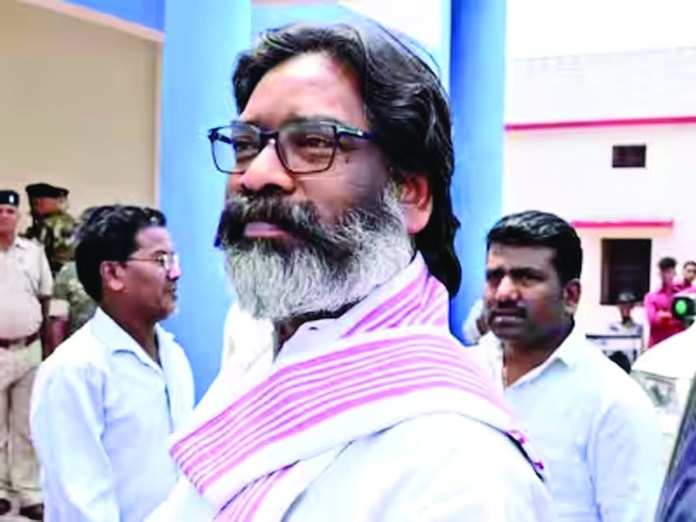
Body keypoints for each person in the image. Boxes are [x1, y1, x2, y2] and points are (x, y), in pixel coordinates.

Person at [149, 23, 554, 521]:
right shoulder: (262, 368)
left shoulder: (460, 469)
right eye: (246, 144)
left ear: (410, 194)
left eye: (314, 141)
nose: (255, 175)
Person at [477, 210, 664, 521]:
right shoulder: (461, 375)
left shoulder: (612, 402)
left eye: (526, 277)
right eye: (495, 276)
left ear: (571, 295)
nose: (504, 292)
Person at [30, 205, 195, 522]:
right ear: (113, 274)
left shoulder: (174, 356)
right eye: (160, 260)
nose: (175, 273)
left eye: (174, 259)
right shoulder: (75, 371)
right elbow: (82, 505)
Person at [0, 190, 51, 521]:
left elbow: (47, 297)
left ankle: (29, 493)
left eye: (9, 211)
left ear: (18, 216)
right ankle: (1, 491)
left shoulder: (33, 252)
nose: (4, 216)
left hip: (29, 347)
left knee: (26, 425)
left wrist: (49, 345)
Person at [24, 182, 77, 276]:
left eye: (37, 203)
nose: (34, 206)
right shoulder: (68, 221)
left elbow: (36, 255)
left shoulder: (53, 225)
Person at [645, 256, 684, 348]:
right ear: (660, 274)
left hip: (677, 345)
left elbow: (683, 320)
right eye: (664, 272)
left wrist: (663, 315)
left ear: (674, 273)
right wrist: (674, 316)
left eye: (669, 272)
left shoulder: (681, 295)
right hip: (657, 344)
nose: (666, 275)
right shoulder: (651, 297)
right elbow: (653, 321)